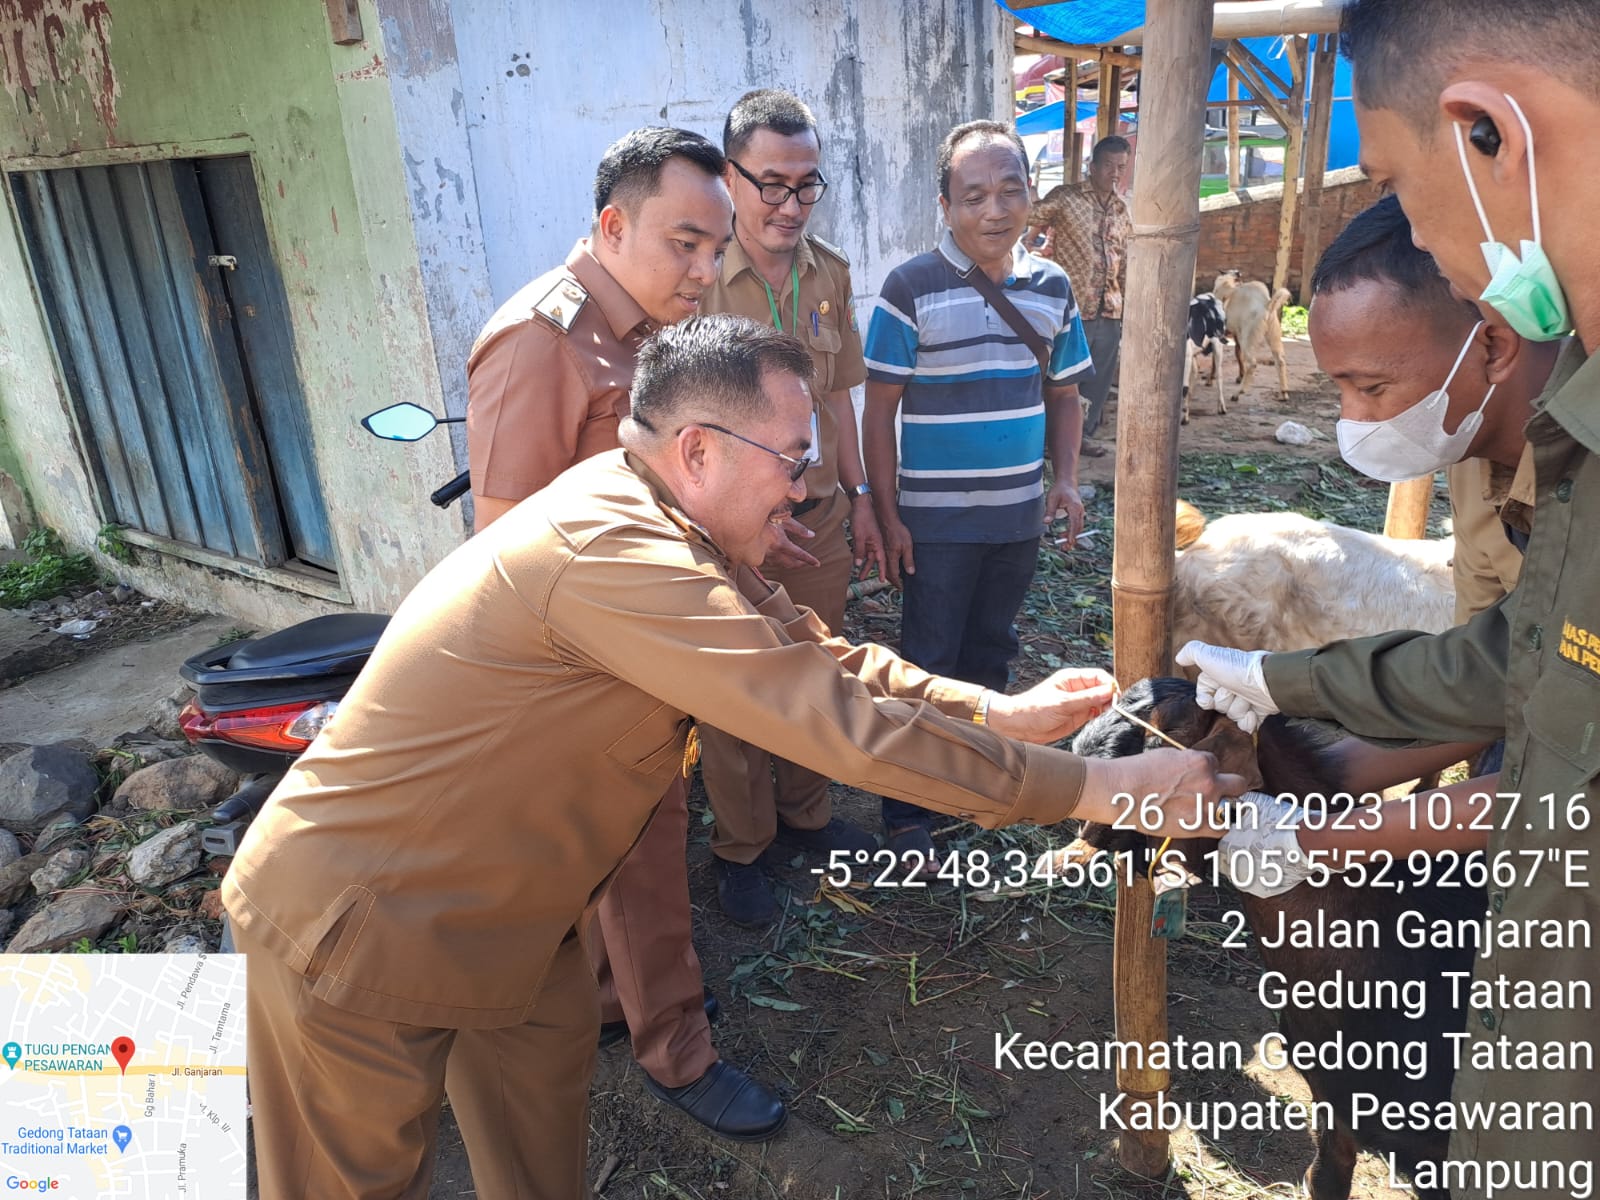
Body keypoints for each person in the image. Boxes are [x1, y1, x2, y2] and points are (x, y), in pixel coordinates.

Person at [225, 314, 1244, 1200]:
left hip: (514, 918)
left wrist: (994, 711)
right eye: (793, 460)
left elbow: (814, 656)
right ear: (702, 451)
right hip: (359, 925)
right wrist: (1102, 788)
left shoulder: (657, 508)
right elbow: (830, 723)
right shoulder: (616, 552)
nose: (804, 491)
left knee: (538, 1166)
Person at [1180, 3, 1600, 1195]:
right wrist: (1280, 695)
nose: (1421, 235)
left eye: (1401, 192)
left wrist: (1317, 829)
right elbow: (1515, 663)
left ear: (1488, 136)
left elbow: (1558, 784)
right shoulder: (1541, 445)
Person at [463, 126, 786, 1142]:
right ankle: (677, 1051)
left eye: (714, 248)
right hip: (587, 673)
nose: (705, 270)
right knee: (643, 856)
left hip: (646, 643)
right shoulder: (541, 340)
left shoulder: (643, 334)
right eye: (684, 243)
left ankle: (621, 1005)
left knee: (618, 861)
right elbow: (507, 542)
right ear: (612, 226)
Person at [863, 119, 1093, 860]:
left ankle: (974, 787)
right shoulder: (909, 289)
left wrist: (1063, 480)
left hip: (1016, 518)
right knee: (927, 658)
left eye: (1010, 190)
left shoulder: (1053, 287)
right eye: (974, 196)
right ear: (945, 206)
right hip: (934, 523)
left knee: (992, 654)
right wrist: (890, 515)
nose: (995, 210)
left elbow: (1065, 395)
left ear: (1030, 195)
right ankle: (907, 811)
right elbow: (878, 411)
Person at [696, 89, 881, 925]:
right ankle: (743, 848)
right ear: (730, 178)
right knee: (736, 690)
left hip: (821, 519)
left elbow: (839, 403)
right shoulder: (697, 281)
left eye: (807, 186)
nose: (789, 205)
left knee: (819, 665)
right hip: (734, 533)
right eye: (771, 184)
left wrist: (866, 500)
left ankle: (808, 818)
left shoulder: (830, 273)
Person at [1308, 193, 1558, 622]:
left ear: (1494, 349)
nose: (1351, 419)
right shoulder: (1470, 463)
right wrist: (1279, 682)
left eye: (1370, 387)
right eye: (1340, 390)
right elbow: (1481, 649)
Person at [1025, 134, 1132, 456]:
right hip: (1071, 307)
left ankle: (1081, 436)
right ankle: (1047, 440)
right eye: (1109, 165)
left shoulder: (1121, 208)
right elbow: (1027, 217)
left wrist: (1126, 299)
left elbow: (1123, 256)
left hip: (1109, 306)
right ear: (1093, 165)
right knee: (1061, 377)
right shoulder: (1066, 198)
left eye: (1121, 167)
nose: (1115, 173)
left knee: (1097, 378)